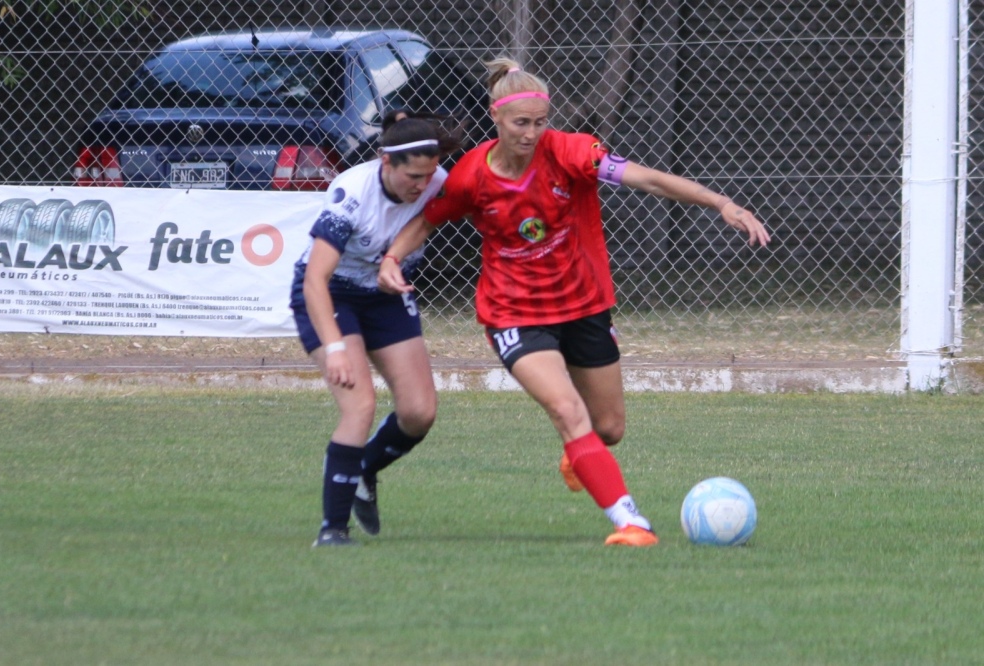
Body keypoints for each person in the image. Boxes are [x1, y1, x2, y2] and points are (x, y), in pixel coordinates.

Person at [378, 59, 770, 547]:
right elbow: (428, 221)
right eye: (522, 123)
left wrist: (721, 203)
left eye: (541, 122)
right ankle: (632, 523)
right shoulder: (471, 175)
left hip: (584, 305)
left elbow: (647, 179)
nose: (533, 133)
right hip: (514, 313)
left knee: (607, 427)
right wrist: (393, 256)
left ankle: (581, 451)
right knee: (566, 408)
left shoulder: (573, 152)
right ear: (496, 118)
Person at [290, 110, 462, 546]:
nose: (423, 186)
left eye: (429, 175)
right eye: (413, 177)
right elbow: (316, 280)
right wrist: (334, 349)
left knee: (419, 413)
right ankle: (332, 530)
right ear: (386, 162)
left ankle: (363, 471)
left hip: (385, 296)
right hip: (334, 296)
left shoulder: (439, 181)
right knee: (360, 405)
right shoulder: (353, 191)